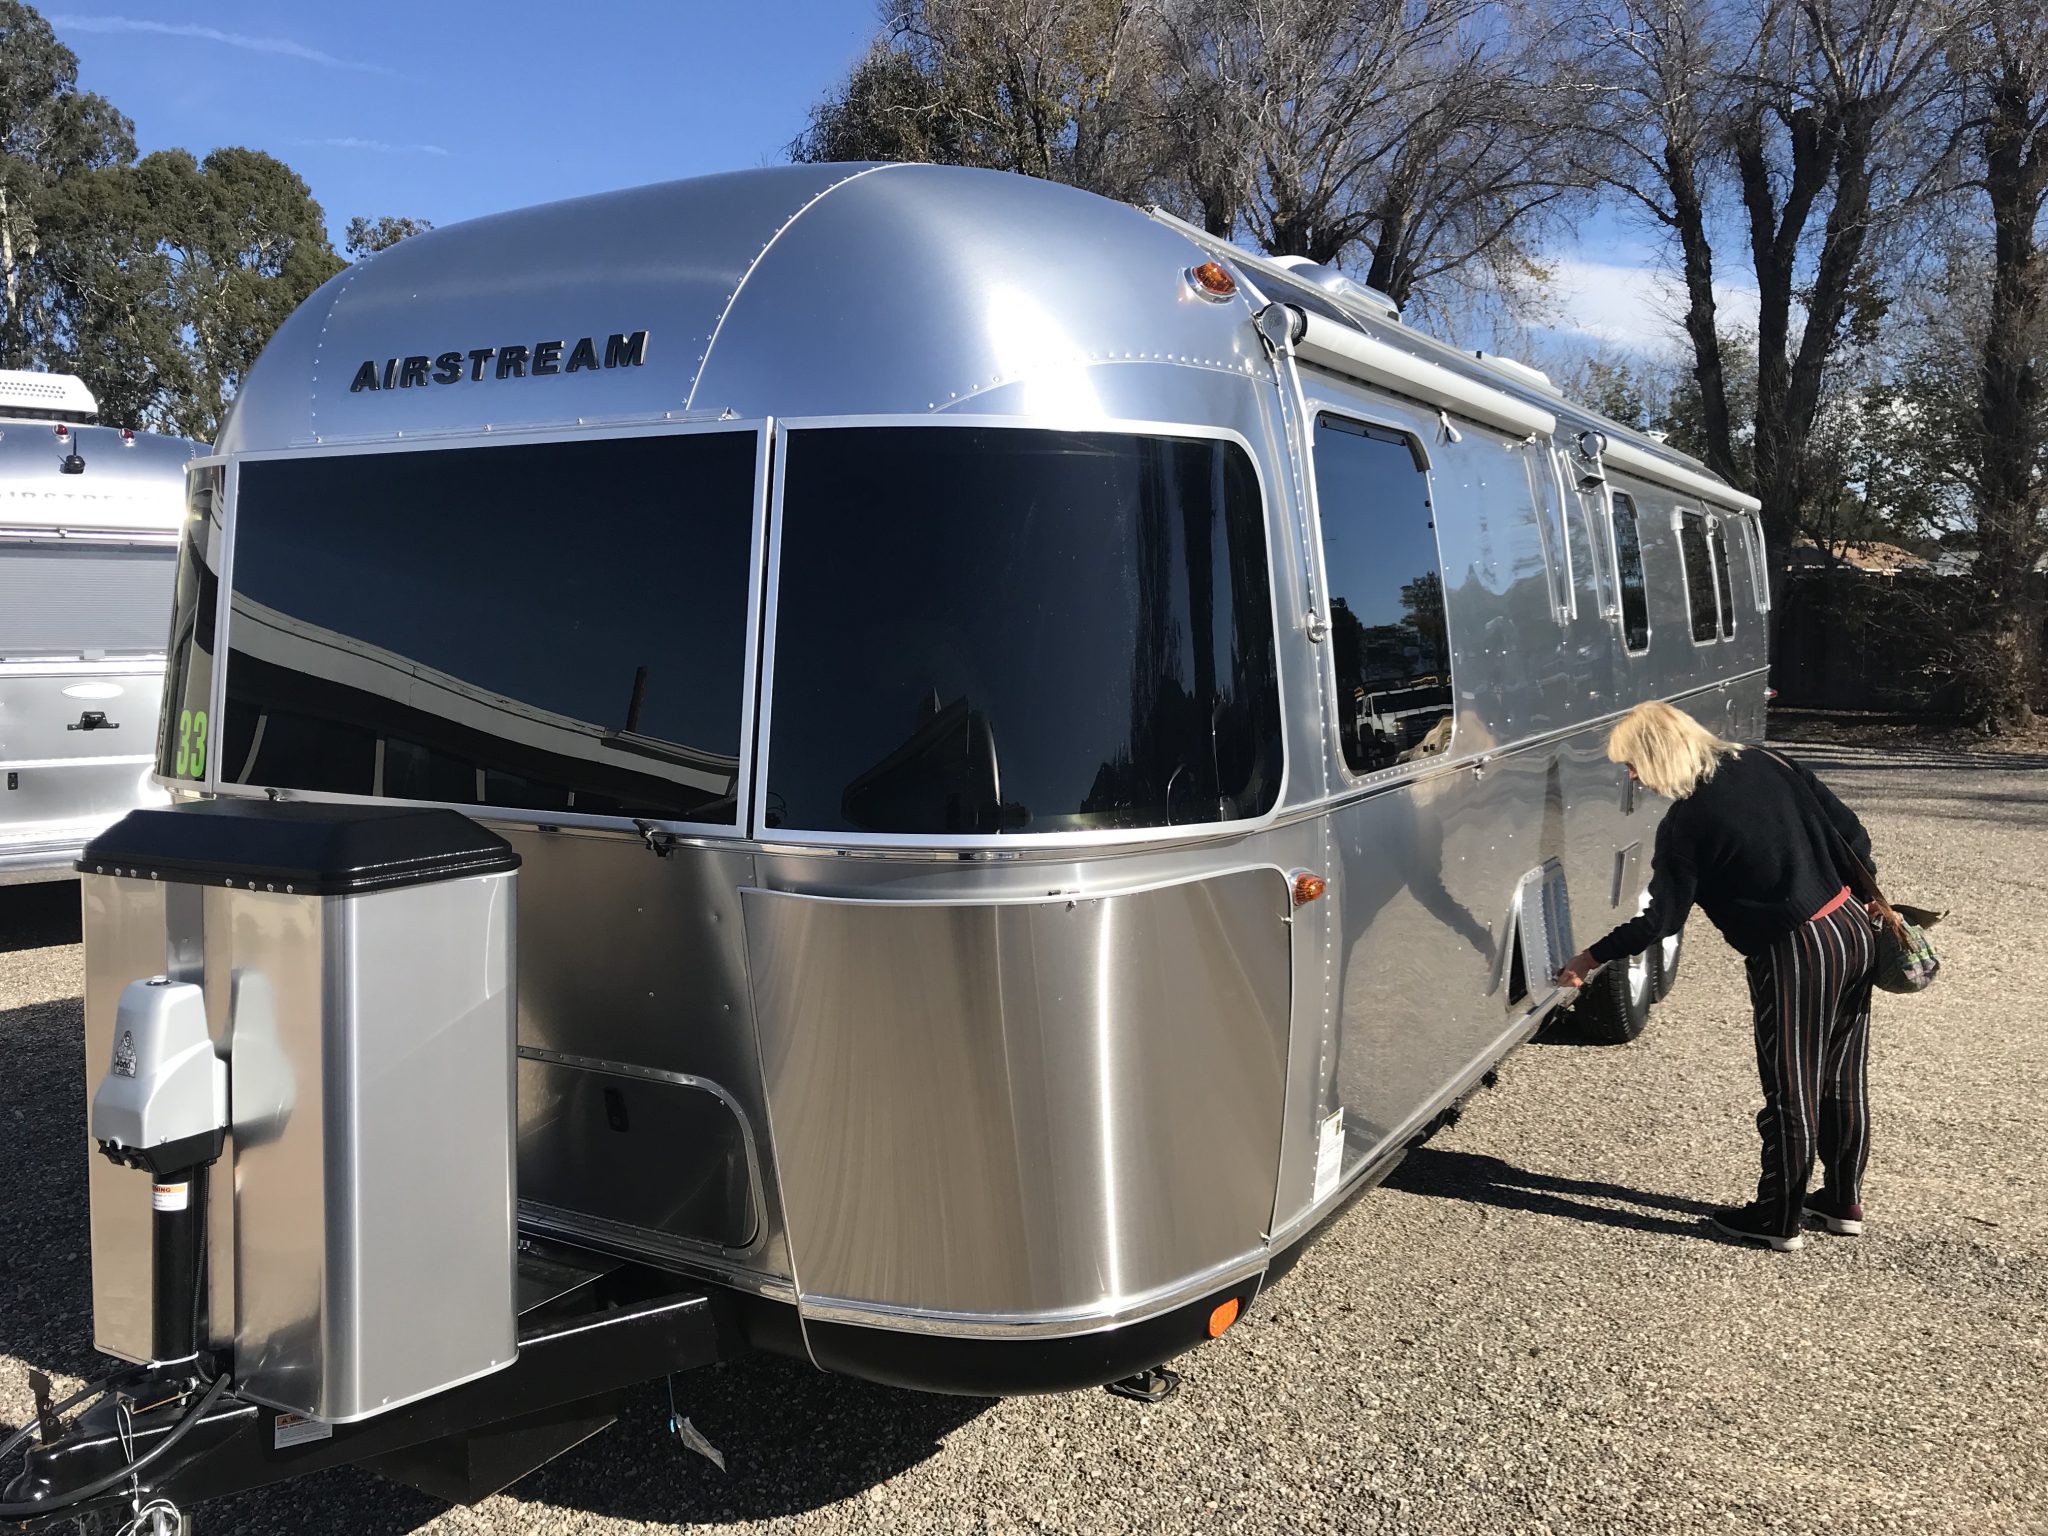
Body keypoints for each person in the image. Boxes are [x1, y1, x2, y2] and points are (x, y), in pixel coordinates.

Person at [1557, 700, 1879, 1252]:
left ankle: (1778, 1218)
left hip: (1796, 948)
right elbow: (1852, 832)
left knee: (1792, 1086)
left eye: (1632, 763)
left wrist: (1589, 958)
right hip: (1852, 925)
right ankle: (1841, 1200)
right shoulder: (1767, 760)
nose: (1631, 777)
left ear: (1657, 755)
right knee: (1842, 1074)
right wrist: (1865, 887)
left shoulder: (1687, 822)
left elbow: (1661, 921)